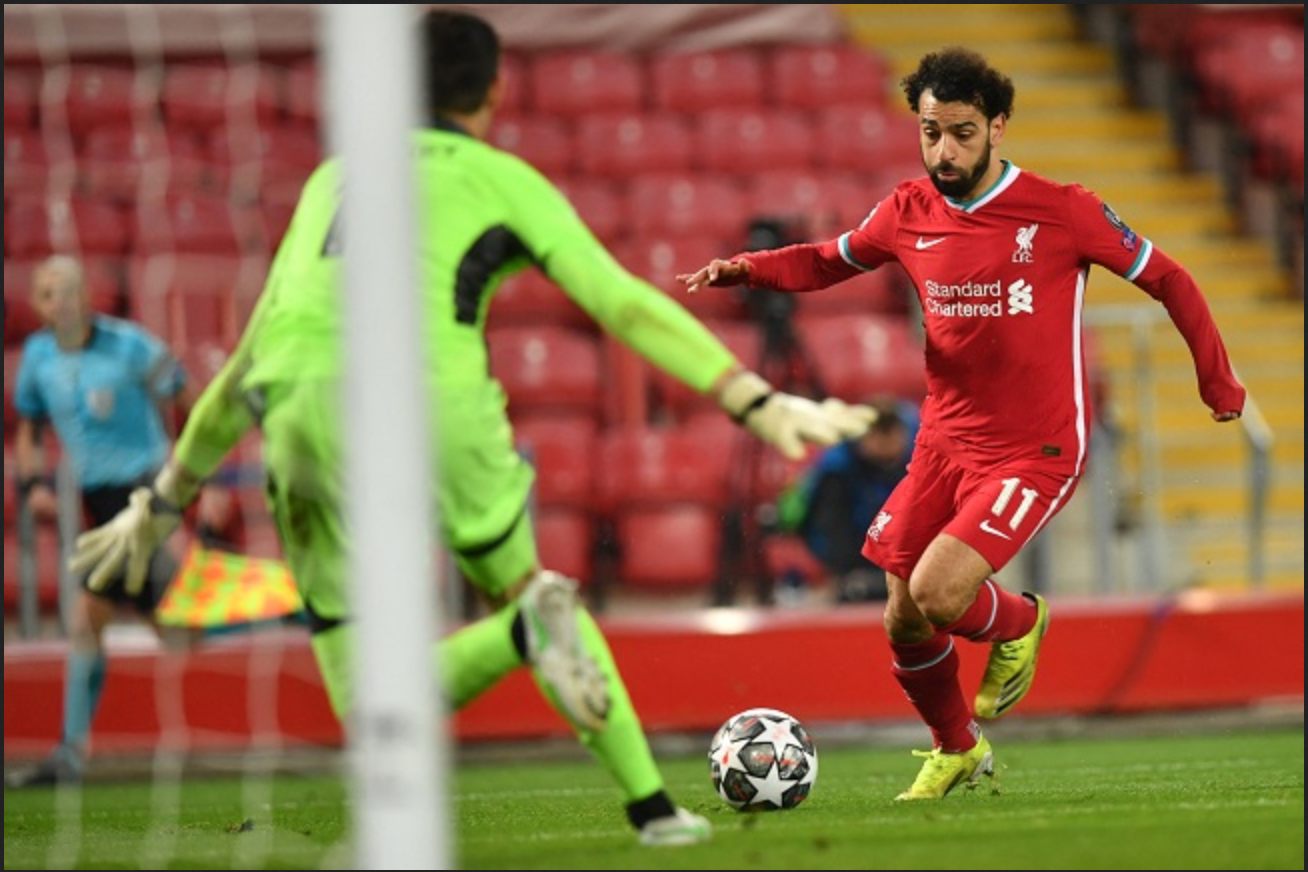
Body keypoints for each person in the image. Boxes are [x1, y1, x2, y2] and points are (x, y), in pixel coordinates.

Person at [65, 9, 875, 846]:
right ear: (494, 90)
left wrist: (161, 504)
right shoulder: (502, 178)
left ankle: (595, 727)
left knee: (366, 695)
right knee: (523, 591)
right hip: (436, 395)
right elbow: (617, 299)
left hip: (297, 404)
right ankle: (641, 792)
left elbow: (241, 366)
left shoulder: (331, 181)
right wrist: (753, 398)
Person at [678, 45, 1246, 801]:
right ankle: (958, 748)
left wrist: (1217, 380)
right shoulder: (907, 210)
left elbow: (1169, 277)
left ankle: (1020, 622)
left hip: (1036, 447)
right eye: (931, 132)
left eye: (962, 133)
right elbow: (827, 261)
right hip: (944, 443)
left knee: (940, 592)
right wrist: (750, 267)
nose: (944, 151)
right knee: (903, 615)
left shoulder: (1063, 210)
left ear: (998, 127)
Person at [8, 254, 234, 787]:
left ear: (88, 295)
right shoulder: (38, 358)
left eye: (69, 290)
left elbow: (191, 399)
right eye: (49, 293)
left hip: (147, 497)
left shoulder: (132, 346)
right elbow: (29, 427)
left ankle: (70, 755)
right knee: (171, 631)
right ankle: (277, 608)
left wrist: (208, 477)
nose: (61, 301)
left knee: (93, 622)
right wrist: (33, 484)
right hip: (98, 505)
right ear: (37, 304)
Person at [777, 395, 918, 603]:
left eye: (893, 438)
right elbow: (832, 530)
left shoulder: (919, 462)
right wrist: (851, 572)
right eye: (879, 439)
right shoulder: (836, 471)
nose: (888, 448)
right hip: (850, 567)